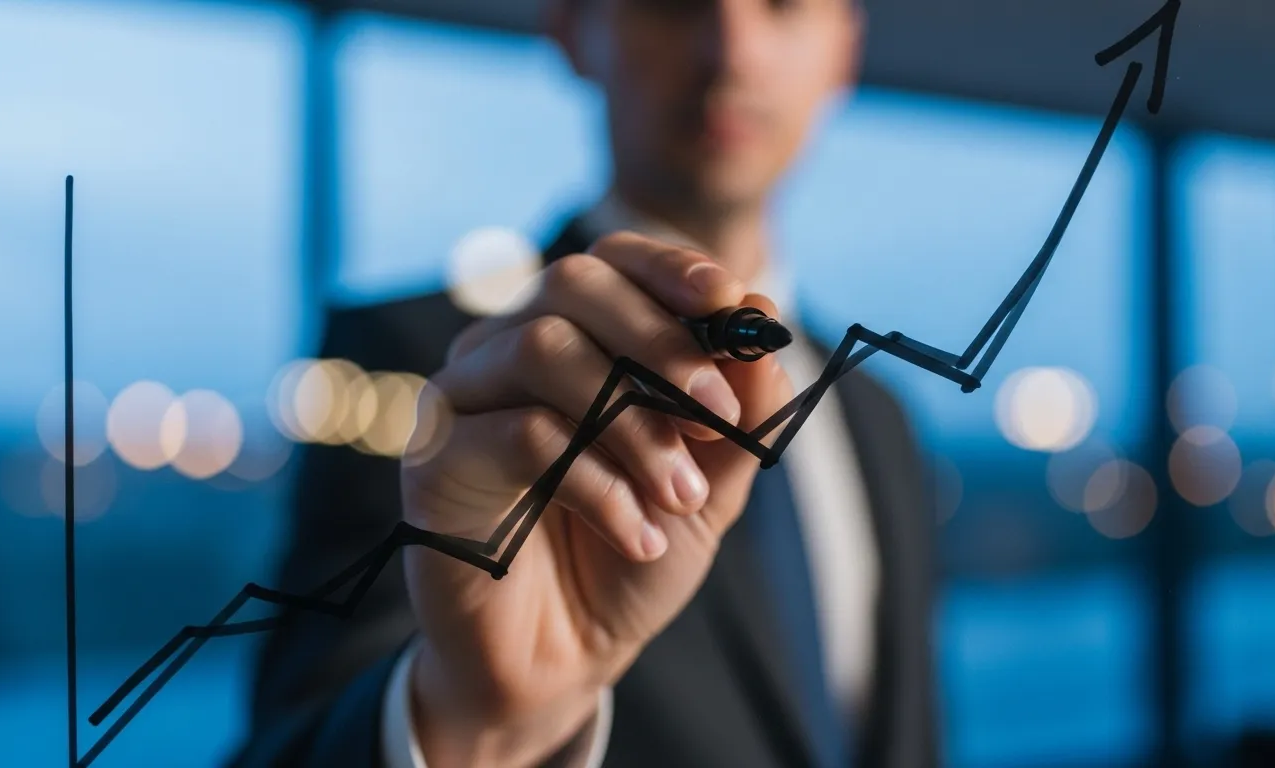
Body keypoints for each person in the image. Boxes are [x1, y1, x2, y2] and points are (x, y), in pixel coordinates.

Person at [230, 0, 937, 766]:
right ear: (573, 28)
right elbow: (288, 742)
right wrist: (472, 719)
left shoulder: (879, 419)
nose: (732, 51)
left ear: (843, 50)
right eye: (676, 6)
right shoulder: (429, 370)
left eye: (784, 6)